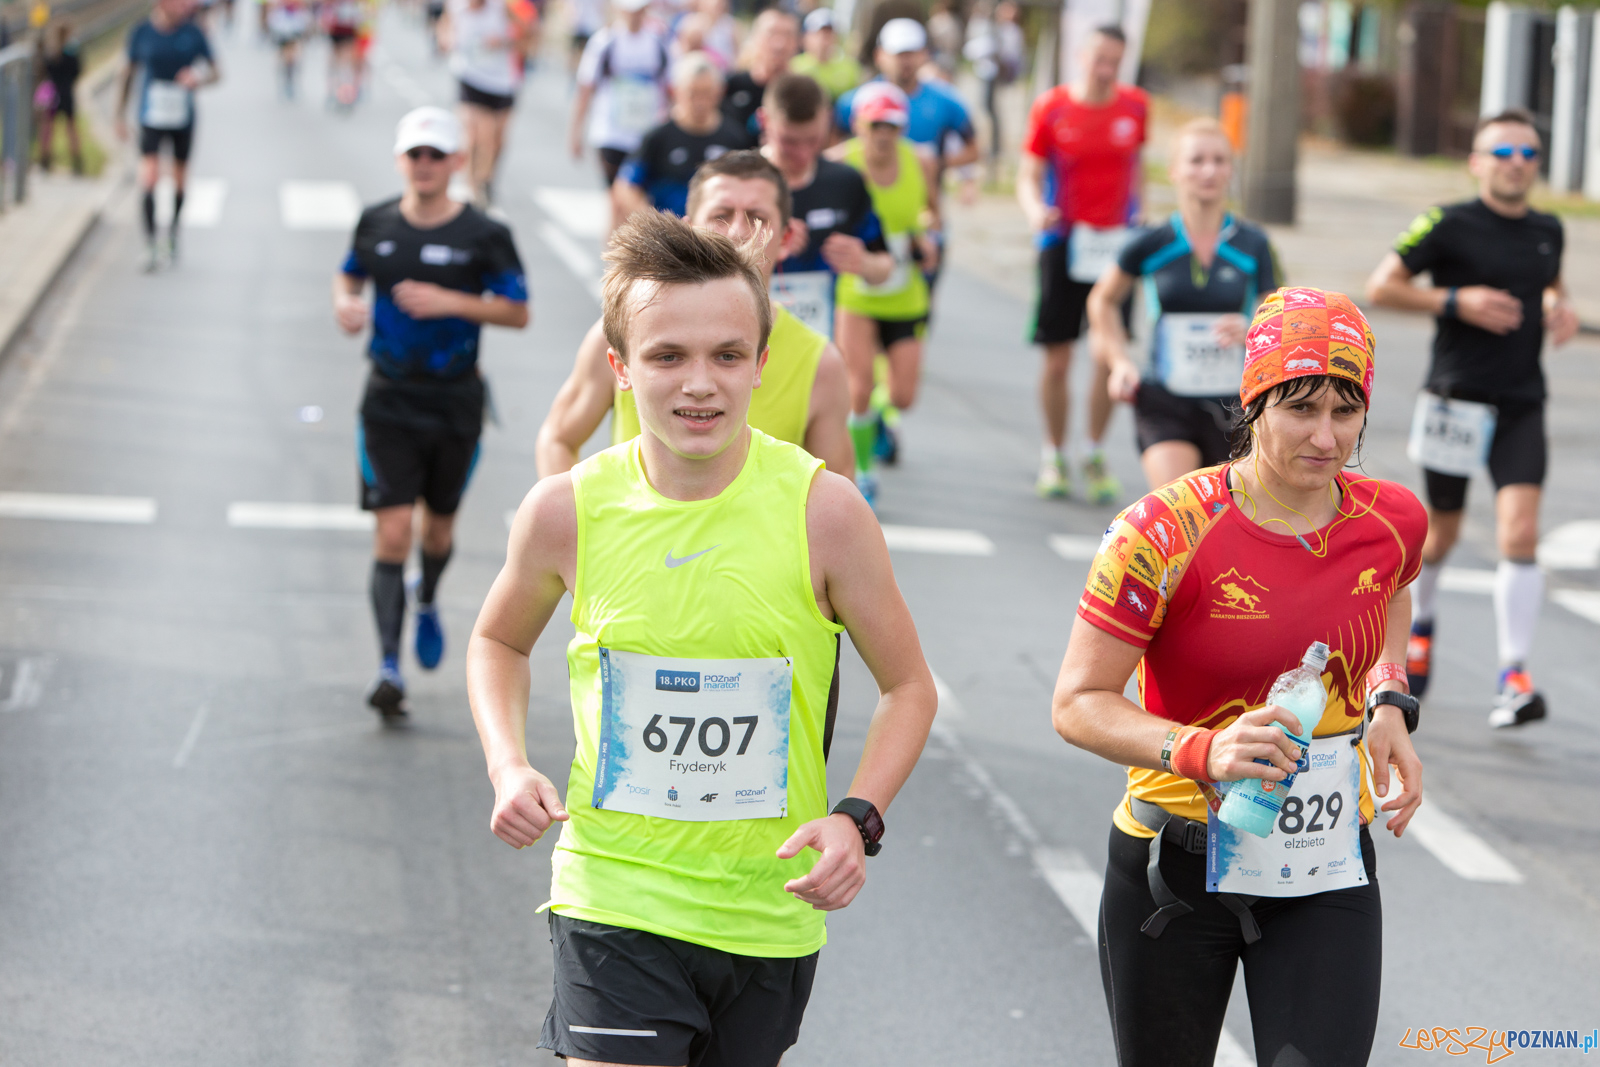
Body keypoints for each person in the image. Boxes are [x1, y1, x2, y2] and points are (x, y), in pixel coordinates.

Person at [468, 208, 937, 1067]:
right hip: (613, 892)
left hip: (766, 908)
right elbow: (498, 641)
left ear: (762, 364)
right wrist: (507, 762)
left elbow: (910, 686)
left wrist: (856, 815)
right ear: (619, 367)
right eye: (667, 357)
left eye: (727, 356)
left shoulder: (823, 512)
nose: (700, 384)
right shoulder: (568, 509)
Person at [1053, 287, 1425, 1067]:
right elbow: (1079, 704)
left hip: (1327, 862)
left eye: (1345, 410)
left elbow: (1392, 590)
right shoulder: (1163, 530)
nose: (1326, 437)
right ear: (1254, 402)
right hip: (1177, 869)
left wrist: (1388, 697)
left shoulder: (1392, 519)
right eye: (1300, 408)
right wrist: (1204, 751)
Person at [1366, 108, 1578, 729]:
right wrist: (1456, 300)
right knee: (1441, 535)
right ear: (1477, 162)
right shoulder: (1448, 222)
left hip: (1520, 401)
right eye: (1503, 151)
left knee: (1519, 532)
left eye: (1528, 153)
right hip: (1455, 400)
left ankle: (1513, 675)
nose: (1517, 162)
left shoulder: (1549, 228)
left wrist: (1560, 307)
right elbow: (1383, 286)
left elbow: (1550, 284)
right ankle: (1420, 630)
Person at [332, 107, 530, 718]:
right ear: (401, 160)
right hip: (388, 399)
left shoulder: (484, 234)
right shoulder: (375, 222)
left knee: (437, 530)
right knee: (392, 531)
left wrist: (448, 300)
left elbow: (517, 310)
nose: (424, 165)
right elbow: (349, 277)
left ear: (455, 162)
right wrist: (345, 306)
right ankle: (388, 666)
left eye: (435, 155)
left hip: (455, 403)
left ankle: (427, 598)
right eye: (414, 154)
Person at [537, 150, 854, 479]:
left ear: (786, 238)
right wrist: (577, 524)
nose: (736, 232)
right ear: (689, 227)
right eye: (721, 214)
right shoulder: (625, 332)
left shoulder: (821, 362)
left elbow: (838, 489)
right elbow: (557, 438)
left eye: (757, 217)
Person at [1088, 119, 1280, 490]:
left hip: (1235, 405)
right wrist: (1119, 361)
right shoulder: (1151, 241)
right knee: (1183, 510)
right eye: (1196, 160)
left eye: (1219, 160)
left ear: (1230, 170)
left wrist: (1254, 330)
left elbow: (1281, 314)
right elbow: (1102, 300)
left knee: (1227, 524)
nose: (1208, 170)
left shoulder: (1253, 244)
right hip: (1165, 399)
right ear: (1174, 170)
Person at [1017, 23, 1145, 502]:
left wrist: (1140, 217)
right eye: (1100, 59)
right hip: (1064, 242)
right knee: (1057, 359)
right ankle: (1054, 454)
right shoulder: (1052, 107)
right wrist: (1035, 212)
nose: (1107, 69)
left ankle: (1093, 451)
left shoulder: (1135, 107)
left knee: (1108, 356)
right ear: (1081, 56)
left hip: (1118, 250)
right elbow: (1028, 173)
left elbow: (1135, 170)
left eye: (1115, 60)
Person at [828, 82, 935, 505]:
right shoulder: (839, 164)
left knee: (904, 396)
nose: (884, 134)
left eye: (892, 125)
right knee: (858, 385)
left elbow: (931, 212)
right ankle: (864, 473)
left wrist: (926, 236)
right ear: (858, 124)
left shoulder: (921, 162)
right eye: (876, 125)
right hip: (856, 291)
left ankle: (877, 417)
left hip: (905, 292)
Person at [759, 72, 893, 340]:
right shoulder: (733, 182)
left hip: (818, 344)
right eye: (789, 142)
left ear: (828, 119)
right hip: (748, 343)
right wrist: (764, 246)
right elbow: (699, 269)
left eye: (813, 140)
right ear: (765, 121)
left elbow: (885, 266)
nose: (803, 153)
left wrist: (864, 263)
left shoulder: (845, 182)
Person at [834, 19, 977, 216]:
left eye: (912, 53)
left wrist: (937, 164)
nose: (905, 60)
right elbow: (831, 148)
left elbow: (974, 149)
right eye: (899, 53)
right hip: (864, 207)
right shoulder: (853, 102)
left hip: (924, 205)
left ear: (925, 54)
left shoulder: (947, 101)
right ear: (880, 55)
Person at [116, 0, 219, 272]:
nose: (185, 6)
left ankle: (172, 234)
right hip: (152, 115)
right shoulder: (141, 32)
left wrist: (197, 78)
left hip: (182, 116)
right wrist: (119, 115)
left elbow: (217, 72)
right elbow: (127, 72)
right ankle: (150, 243)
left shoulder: (193, 32)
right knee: (149, 175)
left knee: (179, 178)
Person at [613, 51, 750, 221]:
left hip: (716, 236)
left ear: (719, 92)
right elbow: (625, 186)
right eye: (693, 93)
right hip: (669, 233)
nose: (700, 102)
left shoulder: (734, 138)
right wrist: (653, 221)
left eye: (706, 93)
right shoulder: (658, 136)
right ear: (676, 91)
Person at [571, 0, 671, 201]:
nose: (634, 15)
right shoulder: (604, 41)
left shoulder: (657, 42)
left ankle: (619, 232)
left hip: (644, 132)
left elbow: (669, 87)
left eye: (639, 10)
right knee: (617, 194)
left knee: (633, 196)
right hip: (610, 131)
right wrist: (575, 133)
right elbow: (585, 88)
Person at [440, 0, 532, 207]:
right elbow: (445, 26)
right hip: (470, 76)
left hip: (502, 82)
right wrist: (446, 40)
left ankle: (487, 178)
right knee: (476, 135)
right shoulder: (455, 6)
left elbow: (527, 32)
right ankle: (472, 188)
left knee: (497, 141)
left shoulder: (503, 7)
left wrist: (503, 42)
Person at [962, 0, 1022, 168]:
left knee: (993, 110)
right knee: (985, 109)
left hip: (998, 75)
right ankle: (990, 145)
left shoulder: (1010, 31)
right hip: (986, 73)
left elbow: (1011, 55)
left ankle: (996, 147)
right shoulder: (989, 27)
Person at [721, 8, 798, 138]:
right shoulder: (730, 86)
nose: (779, 44)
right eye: (771, 33)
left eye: (787, 35)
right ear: (755, 37)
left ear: (797, 42)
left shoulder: (803, 93)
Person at [34, 23, 83, 174]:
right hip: (66, 93)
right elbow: (77, 71)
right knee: (71, 128)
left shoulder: (51, 53)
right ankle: (77, 162)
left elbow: (43, 70)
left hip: (52, 94)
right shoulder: (71, 52)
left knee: (47, 128)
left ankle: (44, 160)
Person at [790, 6, 859, 105]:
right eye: (818, 33)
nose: (823, 39)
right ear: (805, 37)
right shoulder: (793, 66)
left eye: (829, 33)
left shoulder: (851, 67)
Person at [266, 0, 313, 99]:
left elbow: (306, 8)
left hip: (295, 25)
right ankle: (284, 79)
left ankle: (291, 80)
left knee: (293, 56)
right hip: (281, 26)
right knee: (283, 56)